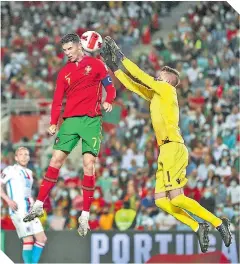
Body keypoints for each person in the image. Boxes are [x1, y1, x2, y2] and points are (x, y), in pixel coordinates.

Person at [100, 36, 232, 253]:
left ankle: (219, 223)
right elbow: (133, 85)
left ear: (168, 80)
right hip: (165, 149)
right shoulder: (157, 95)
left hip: (173, 147)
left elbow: (140, 75)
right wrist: (113, 65)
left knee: (177, 198)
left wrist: (120, 55)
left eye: (160, 75)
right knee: (161, 201)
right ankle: (198, 225)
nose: (156, 76)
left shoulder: (168, 90)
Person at [23, 33, 116, 237]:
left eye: (70, 49)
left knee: (88, 164)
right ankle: (39, 204)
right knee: (55, 159)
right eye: (64, 50)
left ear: (79, 46)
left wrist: (109, 100)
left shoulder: (97, 64)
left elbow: (111, 88)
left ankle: (84, 215)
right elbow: (57, 100)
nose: (67, 54)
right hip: (70, 121)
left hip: (92, 120)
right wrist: (53, 123)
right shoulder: (64, 72)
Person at [0, 147, 47, 264]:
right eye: (20, 154)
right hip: (18, 210)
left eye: (26, 154)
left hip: (31, 209)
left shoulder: (30, 173)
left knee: (42, 238)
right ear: (16, 157)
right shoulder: (10, 170)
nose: (24, 156)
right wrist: (8, 201)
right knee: (28, 239)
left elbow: (27, 192)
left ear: (29, 157)